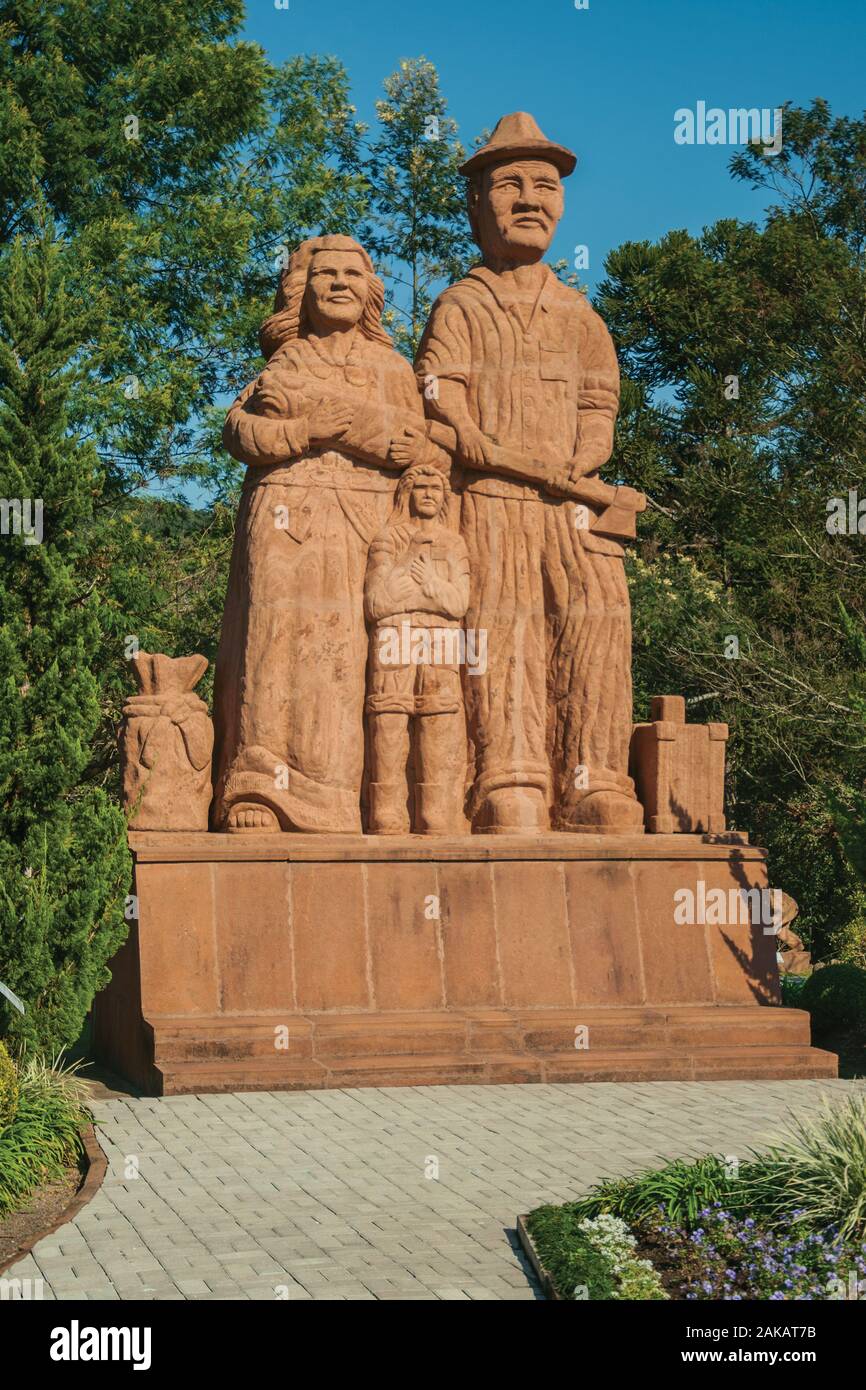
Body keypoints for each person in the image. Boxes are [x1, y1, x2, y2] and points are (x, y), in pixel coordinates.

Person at [415, 112, 644, 834]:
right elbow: (434, 389)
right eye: (509, 183)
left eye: (544, 185)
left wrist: (586, 456)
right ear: (476, 202)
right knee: (501, 630)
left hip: (571, 505)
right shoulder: (461, 304)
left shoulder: (579, 314)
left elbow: (599, 402)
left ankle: (594, 780)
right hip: (491, 499)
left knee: (595, 628)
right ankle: (508, 780)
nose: (530, 198)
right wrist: (468, 432)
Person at [213, 235, 439, 833]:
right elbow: (239, 431)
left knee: (350, 655)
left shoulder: (391, 369)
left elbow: (414, 445)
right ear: (300, 291)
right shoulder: (285, 362)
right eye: (324, 274)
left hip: (367, 526)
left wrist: (340, 424)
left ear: (370, 292)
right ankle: (260, 787)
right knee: (277, 641)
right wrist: (308, 429)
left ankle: (350, 799)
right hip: (288, 515)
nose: (339, 282)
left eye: (351, 273)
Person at [364, 466, 469, 835]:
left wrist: (431, 585)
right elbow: (377, 603)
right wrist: (408, 565)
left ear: (444, 496)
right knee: (389, 714)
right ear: (406, 492)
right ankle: (387, 809)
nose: (428, 493)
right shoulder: (388, 540)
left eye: (435, 488)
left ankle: (435, 809)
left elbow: (458, 604)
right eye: (420, 486)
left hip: (441, 636)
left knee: (438, 715)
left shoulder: (454, 543)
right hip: (395, 633)